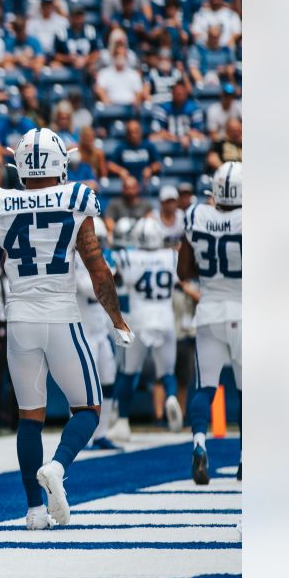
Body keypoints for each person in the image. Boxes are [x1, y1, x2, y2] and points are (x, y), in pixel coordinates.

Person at [0, 128, 133, 530]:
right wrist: (118, 320)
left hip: (19, 319)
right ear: (61, 162)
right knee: (89, 410)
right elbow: (97, 268)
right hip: (61, 317)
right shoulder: (77, 199)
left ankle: (34, 511)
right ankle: (57, 467)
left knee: (29, 417)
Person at [178, 161, 243, 484]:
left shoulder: (196, 215)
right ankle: (247, 457)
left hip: (209, 311)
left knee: (205, 387)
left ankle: (200, 445)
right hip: (245, 310)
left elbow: (183, 272)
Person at [115, 217, 183, 436]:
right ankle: (171, 398)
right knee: (167, 373)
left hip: (139, 321)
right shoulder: (172, 256)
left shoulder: (128, 257)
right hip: (164, 319)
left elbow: (117, 280)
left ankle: (123, 422)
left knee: (128, 372)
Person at [73, 217, 121, 450]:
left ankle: (101, 433)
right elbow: (89, 290)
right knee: (82, 387)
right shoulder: (73, 260)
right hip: (83, 331)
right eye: (95, 240)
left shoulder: (102, 261)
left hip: (100, 331)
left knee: (108, 380)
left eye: (100, 240)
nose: (97, 245)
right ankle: (82, 436)